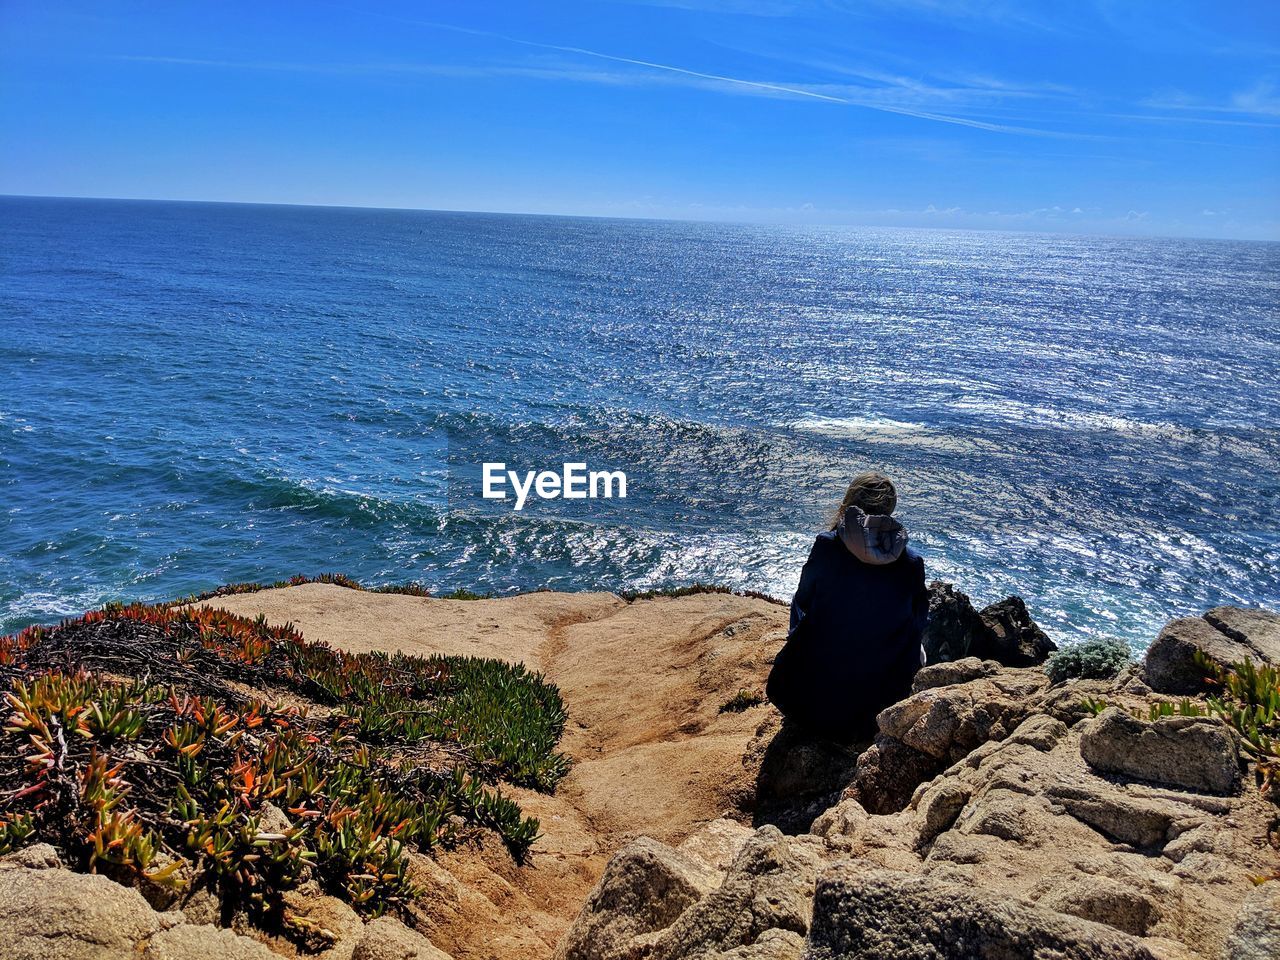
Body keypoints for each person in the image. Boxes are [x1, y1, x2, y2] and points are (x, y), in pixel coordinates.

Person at [766, 471, 928, 743]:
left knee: (802, 606)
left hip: (810, 704)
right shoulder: (911, 563)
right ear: (891, 508)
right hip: (873, 710)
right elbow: (919, 621)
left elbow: (804, 599)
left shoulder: (827, 546)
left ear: (849, 502)